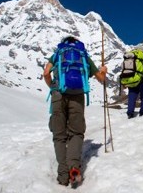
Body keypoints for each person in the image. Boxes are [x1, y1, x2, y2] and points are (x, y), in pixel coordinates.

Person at [43, 36, 107, 187]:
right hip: (77, 96)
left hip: (58, 94)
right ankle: (74, 167)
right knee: (76, 133)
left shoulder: (58, 53)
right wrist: (103, 70)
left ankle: (63, 176)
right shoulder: (83, 55)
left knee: (59, 136)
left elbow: (46, 73)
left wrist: (52, 86)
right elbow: (100, 78)